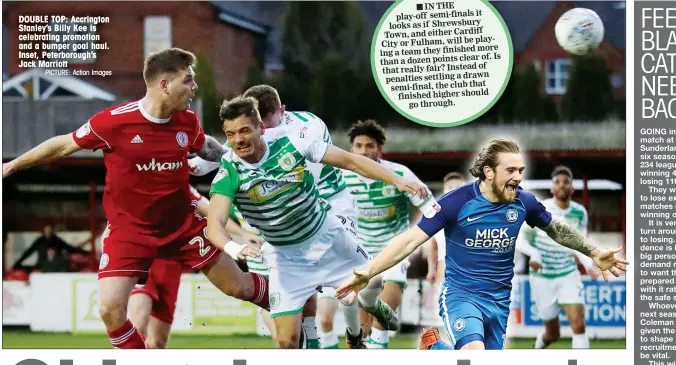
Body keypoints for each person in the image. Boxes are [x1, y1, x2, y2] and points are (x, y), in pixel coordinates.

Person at [2, 48, 270, 349]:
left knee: (242, 288)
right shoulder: (114, 123)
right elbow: (63, 145)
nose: (194, 87)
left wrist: (238, 161)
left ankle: (297, 302)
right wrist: (11, 166)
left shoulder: (186, 120)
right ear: (164, 85)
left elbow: (204, 145)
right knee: (110, 310)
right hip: (130, 233)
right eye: (188, 80)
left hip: (182, 227)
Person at [334, 139, 629, 351]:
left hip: (499, 301)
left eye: (520, 171)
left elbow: (556, 228)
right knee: (474, 354)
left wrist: (593, 251)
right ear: (488, 172)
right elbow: (411, 239)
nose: (517, 178)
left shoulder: (524, 202)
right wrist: (368, 272)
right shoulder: (456, 203)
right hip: (461, 296)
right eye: (510, 171)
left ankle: (435, 348)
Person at [207, 96, 429, 349]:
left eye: (245, 130)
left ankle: (372, 306)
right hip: (285, 258)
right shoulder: (229, 172)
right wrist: (236, 249)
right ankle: (352, 332)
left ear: (261, 128)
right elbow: (214, 225)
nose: (238, 140)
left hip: (328, 238)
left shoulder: (293, 142)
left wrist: (396, 181)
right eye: (230, 133)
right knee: (286, 342)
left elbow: (352, 161)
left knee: (374, 282)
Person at [189, 84, 350, 349]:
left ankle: (328, 343)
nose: (259, 129)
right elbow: (223, 156)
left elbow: (309, 180)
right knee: (282, 330)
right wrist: (201, 162)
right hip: (259, 236)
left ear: (279, 114)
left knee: (311, 302)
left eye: (263, 122)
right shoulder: (240, 145)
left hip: (306, 222)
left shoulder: (305, 129)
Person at [316, 119, 435, 349]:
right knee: (331, 321)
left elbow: (432, 209)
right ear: (351, 149)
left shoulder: (399, 173)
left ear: (379, 148)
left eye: (369, 145)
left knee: (380, 324)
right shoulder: (338, 177)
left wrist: (419, 236)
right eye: (358, 146)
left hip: (391, 254)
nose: (363, 151)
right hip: (351, 256)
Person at [118, 184, 263, 349]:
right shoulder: (136, 182)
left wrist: (242, 233)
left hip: (171, 268)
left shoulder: (179, 186)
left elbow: (211, 212)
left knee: (157, 343)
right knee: (139, 322)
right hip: (146, 260)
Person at [515, 165, 600, 349]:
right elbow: (521, 240)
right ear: (552, 188)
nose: (561, 186)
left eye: (565, 182)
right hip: (542, 276)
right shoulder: (540, 209)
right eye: (557, 183)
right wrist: (535, 254)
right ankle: (538, 347)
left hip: (568, 273)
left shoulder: (579, 212)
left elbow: (579, 243)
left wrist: (589, 264)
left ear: (571, 188)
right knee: (553, 334)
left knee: (578, 324)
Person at [12, 224, 89, 272]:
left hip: (55, 268)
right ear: (44, 231)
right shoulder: (40, 241)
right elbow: (28, 252)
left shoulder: (56, 240)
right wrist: (18, 263)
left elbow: (69, 248)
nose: (48, 231)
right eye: (46, 230)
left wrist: (86, 253)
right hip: (43, 266)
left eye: (49, 230)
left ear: (52, 231)